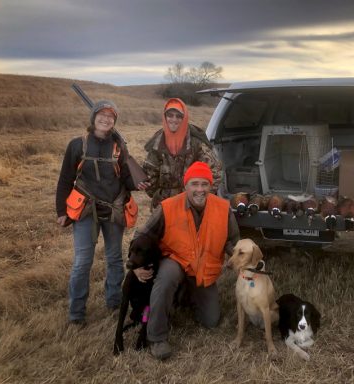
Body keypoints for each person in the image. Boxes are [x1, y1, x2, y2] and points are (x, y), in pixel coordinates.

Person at [133, 161, 240, 360]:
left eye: (204, 184)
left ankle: (184, 296)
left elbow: (233, 241)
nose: (200, 189)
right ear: (186, 185)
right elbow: (142, 236)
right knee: (166, 278)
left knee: (211, 320)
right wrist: (136, 266)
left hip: (202, 270)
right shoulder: (168, 207)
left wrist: (244, 262)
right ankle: (156, 337)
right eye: (195, 184)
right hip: (176, 262)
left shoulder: (223, 209)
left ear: (211, 186)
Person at [55, 100, 149, 326]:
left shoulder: (118, 146)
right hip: (86, 209)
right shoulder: (77, 145)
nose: (106, 119)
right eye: (102, 115)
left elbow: (126, 177)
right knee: (82, 262)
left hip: (114, 207)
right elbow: (66, 179)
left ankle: (114, 302)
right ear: (94, 118)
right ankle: (77, 313)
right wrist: (61, 210)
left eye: (111, 116)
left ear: (114, 121)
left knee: (115, 259)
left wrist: (138, 184)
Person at [142, 98, 222, 209]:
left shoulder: (197, 142)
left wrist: (199, 198)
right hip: (163, 205)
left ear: (184, 118)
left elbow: (215, 174)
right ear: (165, 117)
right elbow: (148, 175)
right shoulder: (157, 142)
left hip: (191, 205)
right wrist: (158, 195)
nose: (174, 119)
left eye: (178, 116)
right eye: (170, 115)